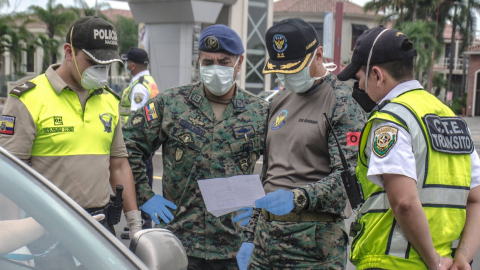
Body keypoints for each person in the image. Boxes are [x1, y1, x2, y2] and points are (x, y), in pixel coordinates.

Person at [122, 24, 268, 269]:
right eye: (208, 62)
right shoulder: (171, 103)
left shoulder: (260, 112)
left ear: (240, 62)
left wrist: (259, 214)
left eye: (224, 61)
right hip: (177, 243)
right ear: (198, 61)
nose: (215, 68)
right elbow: (127, 147)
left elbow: (279, 167)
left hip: (233, 246)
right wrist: (145, 196)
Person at [337, 26, 480, 270]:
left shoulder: (391, 120)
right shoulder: (453, 120)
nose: (358, 88)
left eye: (359, 79)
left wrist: (434, 262)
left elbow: (403, 201)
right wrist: (462, 259)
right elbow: (476, 199)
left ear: (377, 75)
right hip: (445, 261)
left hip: (390, 261)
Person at [234, 18, 366, 269]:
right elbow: (268, 175)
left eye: (294, 68)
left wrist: (298, 197)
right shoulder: (278, 101)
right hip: (265, 242)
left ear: (318, 54)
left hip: (312, 246)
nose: (287, 76)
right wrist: (250, 235)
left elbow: (349, 180)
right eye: (281, 70)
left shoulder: (341, 103)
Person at [0, 16, 142, 238]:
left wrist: (135, 225)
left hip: (100, 227)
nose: (101, 70)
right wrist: (13, 234)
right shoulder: (29, 98)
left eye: (106, 64)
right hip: (45, 227)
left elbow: (118, 166)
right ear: (68, 52)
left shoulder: (108, 100)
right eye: (93, 62)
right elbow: (8, 173)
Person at [120, 47, 159, 230]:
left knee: (137, 181)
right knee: (144, 179)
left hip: (136, 142)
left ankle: (142, 223)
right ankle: (145, 221)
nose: (126, 64)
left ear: (133, 65)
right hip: (146, 142)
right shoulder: (149, 82)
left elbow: (136, 117)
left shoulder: (139, 87)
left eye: (127, 62)